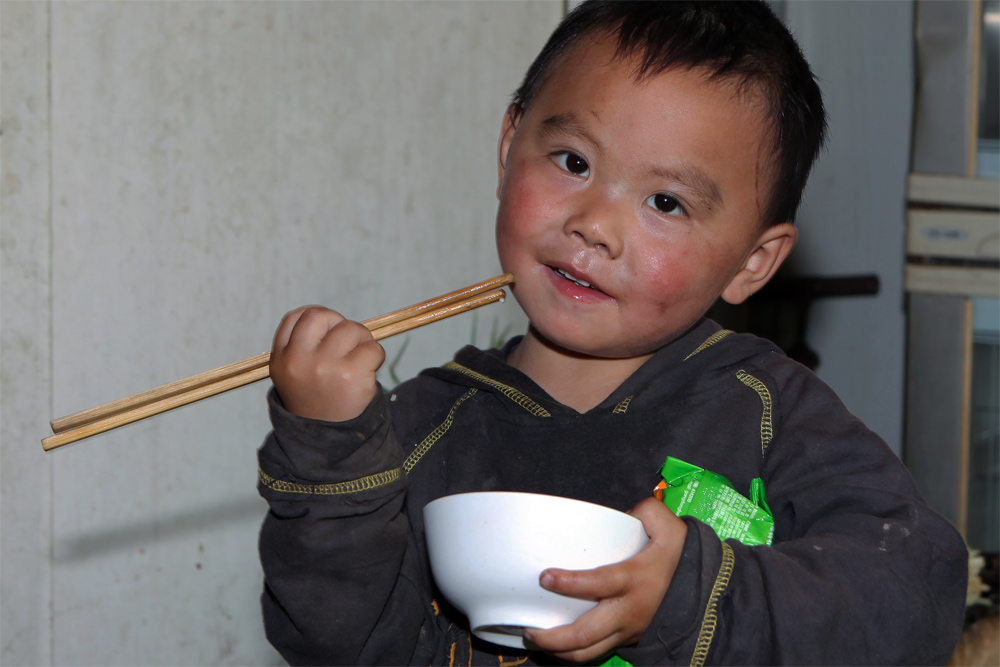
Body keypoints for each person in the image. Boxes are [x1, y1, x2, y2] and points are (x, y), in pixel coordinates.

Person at [256, 2, 968, 665]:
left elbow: (918, 592)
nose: (594, 224)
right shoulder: (422, 424)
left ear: (752, 262)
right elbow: (338, 643)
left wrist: (694, 596)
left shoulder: (768, 411)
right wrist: (332, 455)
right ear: (509, 148)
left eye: (666, 201)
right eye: (573, 162)